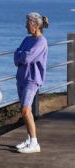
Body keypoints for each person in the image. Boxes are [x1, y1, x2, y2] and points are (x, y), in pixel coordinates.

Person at [14, 12, 49, 153]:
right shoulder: (27, 39)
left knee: (25, 109)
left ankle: (34, 143)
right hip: (21, 77)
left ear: (35, 25)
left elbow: (26, 58)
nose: (25, 26)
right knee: (23, 110)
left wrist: (21, 55)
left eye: (27, 23)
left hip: (32, 79)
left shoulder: (41, 41)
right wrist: (21, 55)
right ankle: (29, 139)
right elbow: (16, 56)